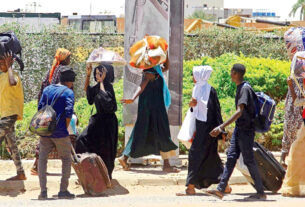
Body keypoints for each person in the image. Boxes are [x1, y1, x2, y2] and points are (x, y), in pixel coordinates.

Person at [207, 64, 266, 200]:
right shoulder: (242, 87)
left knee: (249, 160)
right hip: (240, 129)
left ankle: (261, 192)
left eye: (231, 72)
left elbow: (240, 111)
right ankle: (220, 189)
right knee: (231, 158)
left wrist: (221, 127)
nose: (230, 74)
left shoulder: (244, 89)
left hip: (246, 130)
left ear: (234, 73)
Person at [176, 66, 231, 196]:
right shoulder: (196, 89)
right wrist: (191, 105)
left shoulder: (211, 91)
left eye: (194, 75)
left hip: (210, 131)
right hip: (200, 129)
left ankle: (190, 187)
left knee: (195, 155)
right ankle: (225, 186)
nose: (192, 78)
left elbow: (216, 112)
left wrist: (221, 131)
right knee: (211, 157)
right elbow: (194, 111)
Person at [119, 58, 179, 173]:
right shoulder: (149, 69)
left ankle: (124, 157)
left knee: (143, 130)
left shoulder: (156, 69)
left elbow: (166, 66)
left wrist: (165, 54)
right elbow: (142, 84)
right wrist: (132, 98)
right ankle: (166, 165)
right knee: (162, 131)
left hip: (154, 107)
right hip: (152, 108)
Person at [37, 67, 76, 200]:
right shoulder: (68, 92)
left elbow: (40, 107)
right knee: (66, 159)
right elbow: (69, 113)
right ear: (70, 82)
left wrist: (45, 126)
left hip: (45, 131)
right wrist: (63, 129)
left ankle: (43, 192)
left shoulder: (47, 89)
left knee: (42, 160)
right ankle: (63, 190)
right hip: (60, 133)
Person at [32, 48, 71, 174]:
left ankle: (36, 166)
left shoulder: (52, 70)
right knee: (55, 136)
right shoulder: (62, 71)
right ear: (64, 58)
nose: (70, 60)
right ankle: (37, 166)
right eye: (68, 57)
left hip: (46, 108)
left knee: (46, 136)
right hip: (56, 110)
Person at [75, 63, 118, 180]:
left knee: (106, 150)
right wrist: (88, 75)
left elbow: (108, 102)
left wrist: (102, 82)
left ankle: (107, 176)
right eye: (97, 73)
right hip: (98, 121)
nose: (98, 75)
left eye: (101, 73)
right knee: (81, 140)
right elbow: (89, 94)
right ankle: (90, 171)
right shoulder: (98, 86)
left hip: (108, 123)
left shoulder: (108, 87)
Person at [0, 52, 26, 181]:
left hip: (11, 114)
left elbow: (12, 82)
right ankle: (20, 172)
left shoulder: (14, 75)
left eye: (3, 63)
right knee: (12, 144)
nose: (1, 65)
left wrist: (10, 66)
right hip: (4, 115)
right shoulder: (1, 77)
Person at [280, 73, 304, 168]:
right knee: (288, 132)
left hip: (299, 110)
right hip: (292, 109)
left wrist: (290, 85)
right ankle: (284, 158)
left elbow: (297, 101)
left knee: (293, 134)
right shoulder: (297, 78)